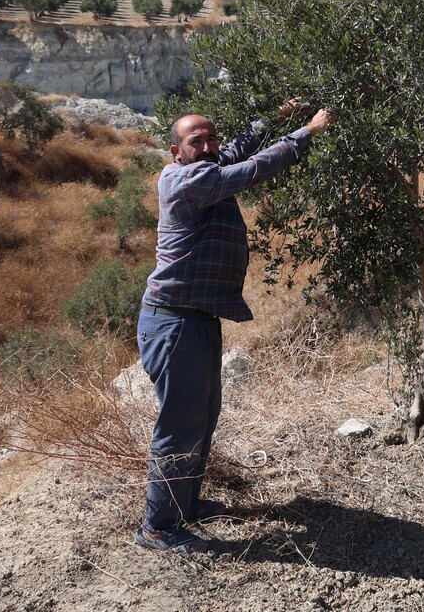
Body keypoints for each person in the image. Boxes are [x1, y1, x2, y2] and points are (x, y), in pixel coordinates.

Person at [134, 102, 336, 554]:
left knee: (202, 417)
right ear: (175, 151)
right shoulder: (186, 180)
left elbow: (239, 149)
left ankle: (183, 504)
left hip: (196, 319)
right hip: (173, 322)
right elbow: (251, 168)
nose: (206, 148)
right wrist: (304, 133)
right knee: (180, 424)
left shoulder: (203, 166)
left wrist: (271, 116)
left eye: (211, 139)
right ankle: (158, 527)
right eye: (195, 142)